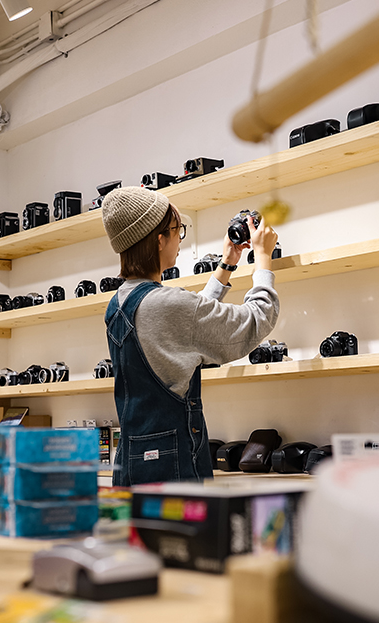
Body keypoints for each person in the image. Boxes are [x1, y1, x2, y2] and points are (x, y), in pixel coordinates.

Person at [101, 186, 280, 486]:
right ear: (159, 240)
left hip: (132, 465)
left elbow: (185, 326)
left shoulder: (119, 304)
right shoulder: (166, 305)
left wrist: (226, 265)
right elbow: (254, 321)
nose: (179, 237)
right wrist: (263, 260)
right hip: (172, 470)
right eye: (177, 229)